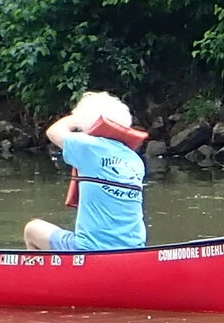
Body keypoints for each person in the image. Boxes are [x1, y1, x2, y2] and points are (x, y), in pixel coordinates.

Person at [24, 92, 148, 252]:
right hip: (133, 249)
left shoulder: (88, 145)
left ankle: (42, 276)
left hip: (89, 249)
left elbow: (53, 132)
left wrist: (77, 117)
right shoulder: (135, 160)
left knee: (32, 229)